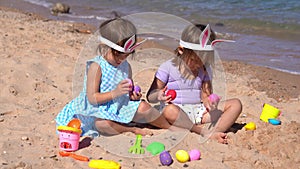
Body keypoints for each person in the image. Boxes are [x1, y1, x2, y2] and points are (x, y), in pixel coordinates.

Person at [55, 18, 173, 137]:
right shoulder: (97, 67)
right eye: (118, 55)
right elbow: (92, 98)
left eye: (126, 56)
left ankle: (169, 127)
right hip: (98, 111)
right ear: (105, 47)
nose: (121, 59)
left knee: (143, 106)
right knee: (101, 124)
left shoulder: (126, 67)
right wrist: (115, 92)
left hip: (119, 107)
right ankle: (132, 130)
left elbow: (127, 93)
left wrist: (133, 96)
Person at [146, 24, 242, 144]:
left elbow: (205, 96)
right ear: (181, 50)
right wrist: (159, 95)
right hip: (176, 111)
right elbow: (150, 96)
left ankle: (215, 131)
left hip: (198, 112)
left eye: (203, 61)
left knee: (235, 104)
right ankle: (201, 131)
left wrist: (210, 103)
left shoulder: (204, 69)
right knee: (169, 110)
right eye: (194, 60)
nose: (198, 64)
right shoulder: (167, 67)